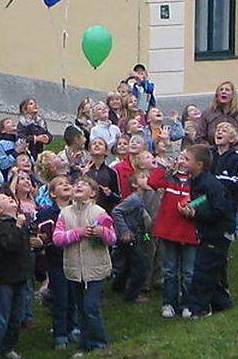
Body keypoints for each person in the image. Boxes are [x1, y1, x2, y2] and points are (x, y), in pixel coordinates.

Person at [52, 175, 117, 353]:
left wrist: (101, 231)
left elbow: (112, 238)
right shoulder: (65, 213)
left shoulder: (99, 212)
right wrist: (77, 232)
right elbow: (57, 238)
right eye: (77, 184)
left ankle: (100, 343)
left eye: (85, 185)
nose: (78, 186)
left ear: (93, 193)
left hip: (96, 268)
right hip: (73, 269)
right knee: (81, 309)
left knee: (91, 307)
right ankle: (85, 344)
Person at [177, 144, 234, 317]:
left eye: (187, 159)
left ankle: (198, 309)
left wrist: (196, 213)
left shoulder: (211, 184)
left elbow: (219, 211)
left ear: (199, 164)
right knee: (213, 273)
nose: (183, 162)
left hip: (217, 235)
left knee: (203, 271)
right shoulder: (195, 181)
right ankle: (222, 305)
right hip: (206, 232)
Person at [0, 193, 34, 359]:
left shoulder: (21, 223)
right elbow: (9, 245)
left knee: (16, 316)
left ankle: (7, 346)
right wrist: (18, 227)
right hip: (5, 278)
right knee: (1, 317)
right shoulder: (0, 227)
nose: (10, 199)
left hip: (21, 276)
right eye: (4, 199)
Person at [149, 151, 197, 319]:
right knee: (169, 270)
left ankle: (188, 303)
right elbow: (153, 182)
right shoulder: (169, 179)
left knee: (188, 271)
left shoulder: (197, 181)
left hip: (190, 232)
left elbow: (205, 199)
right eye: (179, 159)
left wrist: (192, 207)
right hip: (169, 231)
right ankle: (169, 303)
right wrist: (163, 167)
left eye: (186, 159)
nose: (182, 162)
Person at [36, 176, 76, 349]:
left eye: (67, 183)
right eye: (60, 184)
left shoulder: (79, 210)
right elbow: (43, 236)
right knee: (60, 296)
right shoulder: (47, 213)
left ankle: (73, 327)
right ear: (52, 193)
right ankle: (60, 334)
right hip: (56, 261)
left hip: (76, 259)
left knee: (74, 295)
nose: (66, 184)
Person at [112, 172, 152, 302]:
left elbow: (142, 222)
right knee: (141, 266)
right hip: (130, 238)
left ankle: (118, 286)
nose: (147, 178)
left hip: (137, 237)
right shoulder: (134, 199)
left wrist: (146, 238)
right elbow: (116, 211)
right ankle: (132, 295)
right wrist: (125, 231)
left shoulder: (141, 199)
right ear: (135, 184)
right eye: (143, 177)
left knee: (129, 264)